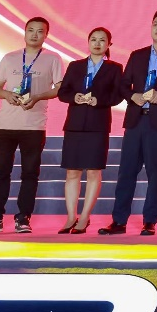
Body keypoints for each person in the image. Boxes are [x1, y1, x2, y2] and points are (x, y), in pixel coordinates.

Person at [100, 10, 157, 236]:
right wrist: (132, 96)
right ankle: (119, 221)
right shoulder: (137, 55)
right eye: (155, 24)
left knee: (156, 173)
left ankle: (150, 221)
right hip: (135, 120)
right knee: (126, 172)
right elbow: (124, 85)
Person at [0, 16, 64, 234]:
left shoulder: (52, 59)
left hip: (34, 126)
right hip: (4, 126)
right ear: (25, 32)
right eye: (31, 30)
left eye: (40, 31)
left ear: (46, 35)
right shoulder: (9, 58)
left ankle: (23, 218)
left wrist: (38, 96)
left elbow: (60, 89)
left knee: (30, 174)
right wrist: (7, 95)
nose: (35, 34)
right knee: (0, 173)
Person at [56, 27, 124, 234]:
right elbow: (63, 92)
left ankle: (84, 217)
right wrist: (74, 97)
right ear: (88, 42)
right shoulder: (75, 66)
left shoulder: (114, 68)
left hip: (98, 125)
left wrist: (99, 100)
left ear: (109, 44)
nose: (97, 43)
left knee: (94, 172)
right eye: (93, 39)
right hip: (75, 125)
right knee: (72, 172)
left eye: (102, 40)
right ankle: (71, 217)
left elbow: (118, 95)